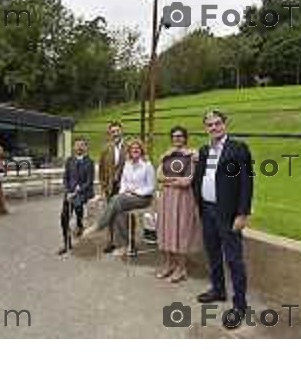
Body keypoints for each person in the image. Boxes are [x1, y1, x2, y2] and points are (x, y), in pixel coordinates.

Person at [192, 110, 254, 314]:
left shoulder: (237, 149)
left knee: (234, 259)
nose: (214, 128)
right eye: (209, 125)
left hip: (227, 213)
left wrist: (242, 213)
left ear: (224, 124)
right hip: (207, 210)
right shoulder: (203, 151)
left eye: (217, 123)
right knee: (213, 254)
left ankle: (240, 305)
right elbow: (200, 178)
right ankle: (218, 290)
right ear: (205, 128)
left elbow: (246, 183)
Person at [84, 138, 156, 257]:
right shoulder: (127, 164)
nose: (135, 150)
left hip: (143, 198)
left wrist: (136, 192)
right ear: (129, 151)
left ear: (141, 150)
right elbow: (123, 182)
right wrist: (124, 192)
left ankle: (99, 225)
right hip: (127, 198)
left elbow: (151, 187)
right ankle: (125, 244)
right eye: (132, 149)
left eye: (137, 148)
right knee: (118, 209)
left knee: (116, 200)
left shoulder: (147, 165)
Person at [156, 126, 202, 283]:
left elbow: (187, 181)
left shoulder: (191, 155)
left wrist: (169, 181)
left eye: (180, 136)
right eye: (174, 136)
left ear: (185, 138)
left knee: (181, 230)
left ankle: (181, 268)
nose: (177, 139)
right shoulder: (167, 155)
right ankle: (169, 265)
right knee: (167, 230)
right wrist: (173, 180)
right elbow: (159, 176)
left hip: (183, 198)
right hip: (167, 197)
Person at [59, 138, 95, 255]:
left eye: (82, 145)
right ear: (74, 147)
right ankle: (66, 243)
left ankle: (79, 222)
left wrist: (78, 190)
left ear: (85, 147)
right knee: (64, 216)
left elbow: (89, 181)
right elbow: (65, 177)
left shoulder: (89, 162)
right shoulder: (69, 160)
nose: (79, 147)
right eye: (77, 145)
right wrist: (68, 190)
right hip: (70, 193)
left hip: (84, 192)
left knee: (77, 203)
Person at [98, 121, 128, 253]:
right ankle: (111, 241)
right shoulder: (106, 149)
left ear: (122, 131)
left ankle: (127, 241)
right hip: (110, 186)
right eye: (112, 131)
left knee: (124, 214)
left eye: (117, 130)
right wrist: (103, 186)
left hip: (125, 186)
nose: (115, 133)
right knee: (110, 214)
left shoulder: (129, 146)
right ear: (109, 134)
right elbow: (101, 169)